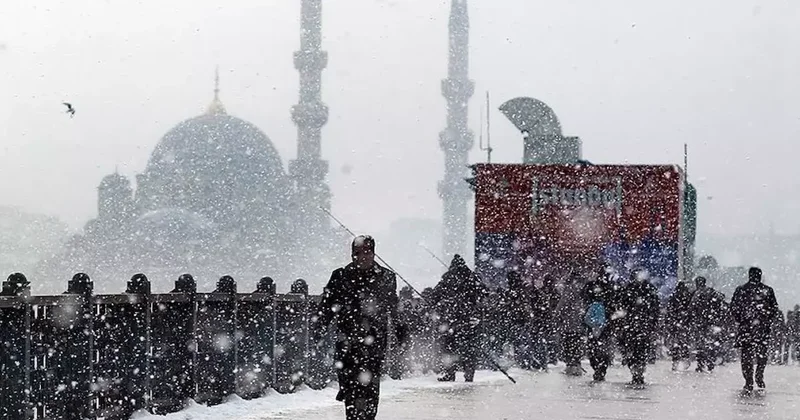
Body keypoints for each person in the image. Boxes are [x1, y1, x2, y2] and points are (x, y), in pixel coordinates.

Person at [314, 235, 402, 420]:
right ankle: (349, 396)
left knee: (370, 386)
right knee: (349, 382)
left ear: (373, 253)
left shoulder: (386, 277)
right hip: (347, 340)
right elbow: (327, 306)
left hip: (374, 342)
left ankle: (366, 412)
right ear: (352, 254)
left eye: (367, 252)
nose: (362, 257)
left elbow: (393, 307)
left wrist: (400, 328)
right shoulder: (340, 276)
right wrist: (320, 326)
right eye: (357, 253)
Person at [430, 254, 486, 382]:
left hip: (451, 319)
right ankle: (469, 374)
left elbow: (434, 296)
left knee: (449, 347)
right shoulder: (472, 278)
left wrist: (436, 304)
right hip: (469, 319)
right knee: (469, 348)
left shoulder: (447, 278)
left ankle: (450, 373)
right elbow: (484, 292)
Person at [729, 266, 780, 392]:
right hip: (762, 328)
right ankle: (759, 374)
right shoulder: (767, 290)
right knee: (761, 354)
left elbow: (734, 308)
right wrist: (766, 320)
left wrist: (741, 319)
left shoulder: (741, 290)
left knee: (746, 355)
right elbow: (774, 309)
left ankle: (748, 380)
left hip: (746, 328)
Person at [616, 270, 660, 386]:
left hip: (633, 325)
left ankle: (636, 371)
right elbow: (655, 308)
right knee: (640, 350)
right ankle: (638, 371)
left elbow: (621, 306)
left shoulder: (628, 289)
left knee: (632, 350)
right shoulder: (648, 290)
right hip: (641, 325)